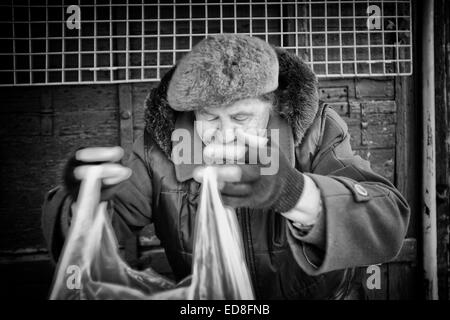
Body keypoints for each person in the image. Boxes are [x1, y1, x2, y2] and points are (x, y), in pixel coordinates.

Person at [42, 34, 410, 299]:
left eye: (241, 116)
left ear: (273, 106)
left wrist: (296, 193)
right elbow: (88, 233)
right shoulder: (161, 150)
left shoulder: (316, 132)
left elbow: (387, 219)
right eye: (209, 117)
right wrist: (84, 199)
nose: (225, 134)